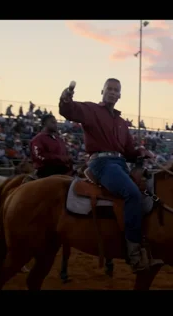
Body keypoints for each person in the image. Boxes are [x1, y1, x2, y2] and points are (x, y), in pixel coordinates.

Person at [59, 78, 161, 273]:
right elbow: (68, 110)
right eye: (110, 89)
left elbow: (129, 151)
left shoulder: (122, 123)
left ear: (120, 95)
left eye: (116, 90)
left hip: (120, 164)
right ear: (102, 91)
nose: (113, 92)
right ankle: (134, 253)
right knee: (132, 194)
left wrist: (141, 152)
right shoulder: (91, 110)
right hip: (102, 163)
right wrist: (66, 97)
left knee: (148, 189)